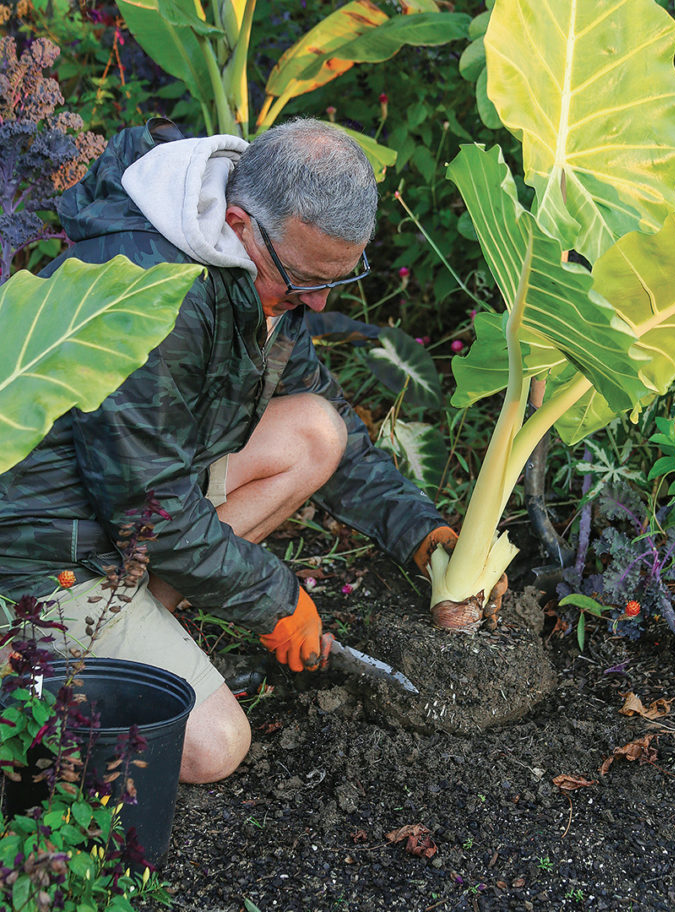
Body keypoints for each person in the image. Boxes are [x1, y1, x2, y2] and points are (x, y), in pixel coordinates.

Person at [0, 116, 458, 784]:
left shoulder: (260, 272)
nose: (319, 300)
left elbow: (327, 417)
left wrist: (424, 534)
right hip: (39, 559)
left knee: (315, 431)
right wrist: (279, 601)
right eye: (304, 278)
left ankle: (137, 630)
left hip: (121, 517)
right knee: (215, 747)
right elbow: (153, 511)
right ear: (241, 222)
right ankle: (26, 666)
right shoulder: (152, 292)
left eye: (337, 278)